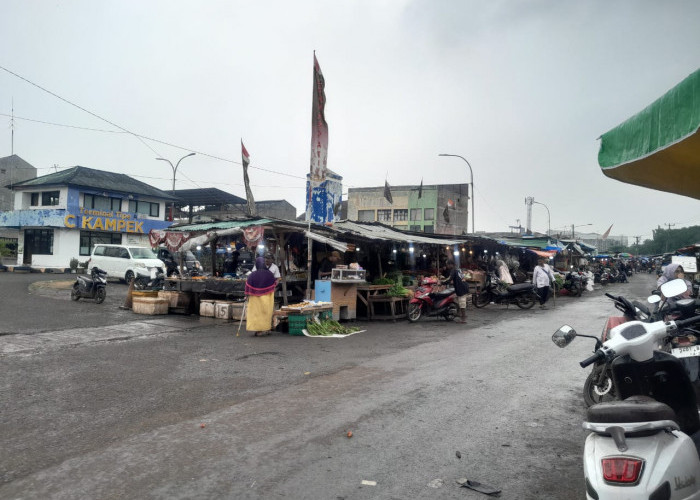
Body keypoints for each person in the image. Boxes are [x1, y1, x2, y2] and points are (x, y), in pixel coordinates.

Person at [245, 257, 277, 336]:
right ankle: (268, 328)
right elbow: (274, 284)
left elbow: (247, 285)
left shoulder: (252, 275)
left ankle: (258, 330)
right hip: (267, 297)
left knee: (256, 314)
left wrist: (246, 295)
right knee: (267, 313)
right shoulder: (269, 274)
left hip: (255, 298)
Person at [444, 259, 468, 323]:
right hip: (463, 286)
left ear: (451, 265)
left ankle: (463, 318)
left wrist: (441, 283)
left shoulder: (453, 270)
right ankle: (459, 313)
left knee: (462, 303)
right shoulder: (458, 269)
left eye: (447, 265)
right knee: (456, 300)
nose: (447, 266)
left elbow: (449, 279)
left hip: (461, 288)